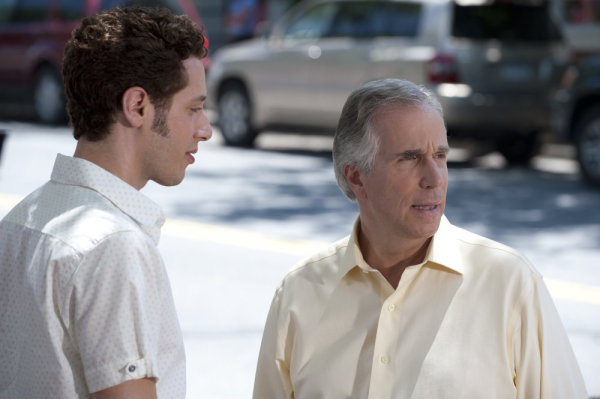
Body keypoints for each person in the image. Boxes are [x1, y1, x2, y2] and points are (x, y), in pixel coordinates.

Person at [253, 79, 588, 398]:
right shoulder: (299, 293)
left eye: (440, 156)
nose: (434, 178)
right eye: (409, 158)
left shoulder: (510, 283)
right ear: (356, 177)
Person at [0, 6, 211, 398]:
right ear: (137, 106)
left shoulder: (18, 221)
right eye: (194, 108)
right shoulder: (114, 245)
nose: (206, 129)